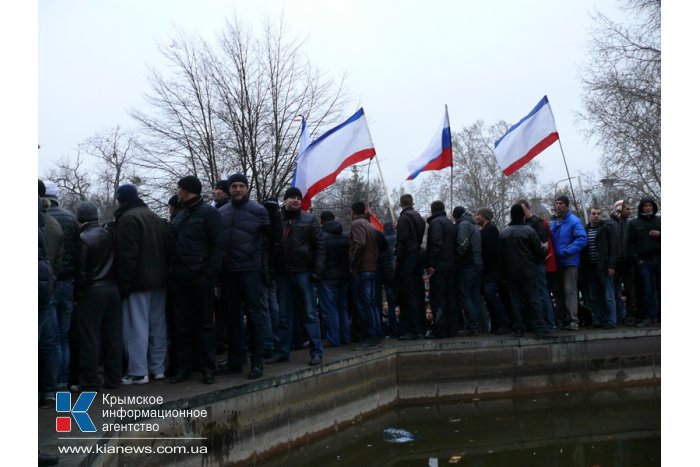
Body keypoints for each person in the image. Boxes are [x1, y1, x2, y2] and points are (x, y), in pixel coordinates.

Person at [169, 176, 226, 384]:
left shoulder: (209, 213)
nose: (178, 193)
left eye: (179, 189)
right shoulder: (182, 214)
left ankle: (207, 367)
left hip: (201, 278)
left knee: (205, 325)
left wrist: (209, 273)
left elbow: (219, 245)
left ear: (186, 190)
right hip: (180, 278)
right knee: (182, 325)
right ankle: (184, 367)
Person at [111, 184, 169, 385]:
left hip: (138, 282)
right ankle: (158, 368)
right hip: (160, 282)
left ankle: (138, 372)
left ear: (121, 200)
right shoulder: (154, 217)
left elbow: (127, 256)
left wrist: (124, 284)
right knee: (158, 327)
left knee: (136, 327)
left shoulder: (128, 219)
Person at [219, 173, 270, 380]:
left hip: (251, 270)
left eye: (241, 186)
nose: (238, 189)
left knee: (255, 317)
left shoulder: (259, 210)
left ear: (247, 188)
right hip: (228, 271)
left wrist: (266, 270)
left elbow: (271, 241)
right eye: (234, 186)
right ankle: (235, 360)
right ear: (229, 189)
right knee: (232, 317)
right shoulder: (221, 212)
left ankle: (257, 361)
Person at [266, 187, 325, 366]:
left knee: (309, 314)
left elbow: (320, 247)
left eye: (298, 198)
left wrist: (317, 271)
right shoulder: (276, 219)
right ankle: (283, 351)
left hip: (304, 273)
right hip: (282, 274)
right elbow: (269, 246)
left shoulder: (310, 219)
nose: (295, 200)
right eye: (292, 197)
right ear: (285, 200)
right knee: (283, 316)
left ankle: (316, 352)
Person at [73, 201, 122, 390]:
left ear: (79, 218)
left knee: (90, 337)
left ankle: (89, 380)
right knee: (112, 336)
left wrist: (78, 294)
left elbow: (82, 272)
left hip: (92, 291)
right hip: (112, 288)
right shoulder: (109, 234)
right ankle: (114, 377)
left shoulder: (83, 238)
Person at [43, 180, 80, 389]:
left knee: (51, 338)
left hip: (49, 283)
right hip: (69, 283)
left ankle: (53, 382)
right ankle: (65, 379)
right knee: (64, 336)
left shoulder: (43, 219)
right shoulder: (70, 218)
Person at [499, 204, 553, 338]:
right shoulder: (529, 231)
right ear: (522, 216)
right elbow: (539, 252)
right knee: (534, 299)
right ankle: (539, 327)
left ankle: (518, 328)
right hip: (529, 270)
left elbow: (500, 255)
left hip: (511, 272)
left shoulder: (504, 233)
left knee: (515, 301)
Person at [550, 195, 587, 330]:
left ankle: (573, 319)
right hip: (557, 263)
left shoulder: (574, 221)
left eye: (560, 203)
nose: (557, 206)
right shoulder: (555, 222)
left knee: (570, 291)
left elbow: (582, 239)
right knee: (558, 292)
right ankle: (561, 319)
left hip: (569, 262)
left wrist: (567, 251)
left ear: (566, 205)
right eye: (556, 203)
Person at [518, 199, 556, 329]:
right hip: (529, 264)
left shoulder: (538, 223)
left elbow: (543, 245)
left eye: (522, 210)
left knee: (542, 292)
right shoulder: (525, 224)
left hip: (537, 263)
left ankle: (549, 322)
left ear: (528, 208)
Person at [349, 202, 382, 349]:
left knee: (365, 304)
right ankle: (376, 334)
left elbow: (360, 243)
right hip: (372, 267)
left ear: (353, 212)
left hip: (363, 268)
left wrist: (353, 263)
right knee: (372, 303)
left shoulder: (357, 224)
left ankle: (370, 337)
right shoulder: (370, 225)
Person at [395, 194, 427, 340]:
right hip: (417, 259)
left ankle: (412, 329)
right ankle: (420, 328)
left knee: (408, 295)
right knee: (418, 294)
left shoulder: (404, 218)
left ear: (401, 203)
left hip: (407, 260)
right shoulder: (419, 217)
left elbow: (403, 240)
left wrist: (398, 256)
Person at [581, 207, 618, 328]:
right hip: (590, 268)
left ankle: (611, 320)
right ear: (590, 215)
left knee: (608, 296)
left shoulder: (607, 227)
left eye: (598, 213)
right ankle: (597, 320)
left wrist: (611, 265)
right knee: (593, 296)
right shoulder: (585, 229)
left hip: (604, 267)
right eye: (593, 213)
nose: (596, 216)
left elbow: (614, 247)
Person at [474, 207, 510, 335]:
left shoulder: (491, 230)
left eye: (478, 214)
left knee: (490, 293)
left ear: (484, 216)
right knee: (488, 297)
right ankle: (496, 324)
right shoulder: (483, 230)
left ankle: (504, 322)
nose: (476, 217)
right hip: (487, 271)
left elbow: (491, 252)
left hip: (492, 271)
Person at [425, 201, 458, 338]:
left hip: (439, 266)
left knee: (438, 299)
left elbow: (436, 243)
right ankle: (452, 328)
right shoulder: (450, 223)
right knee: (450, 298)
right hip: (451, 265)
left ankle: (439, 329)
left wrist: (431, 263)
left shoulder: (435, 223)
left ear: (432, 210)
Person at [318, 210, 351, 347]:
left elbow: (319, 257)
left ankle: (333, 338)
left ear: (322, 221)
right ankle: (345, 337)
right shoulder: (344, 237)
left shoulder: (321, 237)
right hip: (343, 275)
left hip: (327, 276)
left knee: (330, 308)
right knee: (342, 307)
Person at [628, 197, 661, 327]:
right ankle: (648, 316)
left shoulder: (660, 220)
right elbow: (630, 244)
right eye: (645, 206)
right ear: (641, 208)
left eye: (650, 206)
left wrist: (659, 234)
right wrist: (637, 260)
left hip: (660, 258)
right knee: (647, 290)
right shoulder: (634, 223)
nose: (648, 208)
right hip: (644, 261)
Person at [453, 206, 483, 336]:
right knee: (474, 294)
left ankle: (472, 323)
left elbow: (462, 244)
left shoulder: (463, 225)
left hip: (467, 264)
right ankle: (475, 323)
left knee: (464, 295)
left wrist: (456, 257)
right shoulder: (473, 225)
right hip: (477, 263)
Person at [609, 200, 637, 325]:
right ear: (619, 209)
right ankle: (618, 316)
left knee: (631, 290)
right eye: (626, 209)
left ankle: (631, 316)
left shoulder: (630, 224)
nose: (629, 211)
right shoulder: (609, 224)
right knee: (615, 291)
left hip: (628, 262)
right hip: (614, 264)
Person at [377, 221, 398, 338]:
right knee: (395, 304)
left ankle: (387, 328)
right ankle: (396, 328)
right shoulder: (397, 238)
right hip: (396, 274)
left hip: (384, 275)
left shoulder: (382, 240)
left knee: (387, 304)